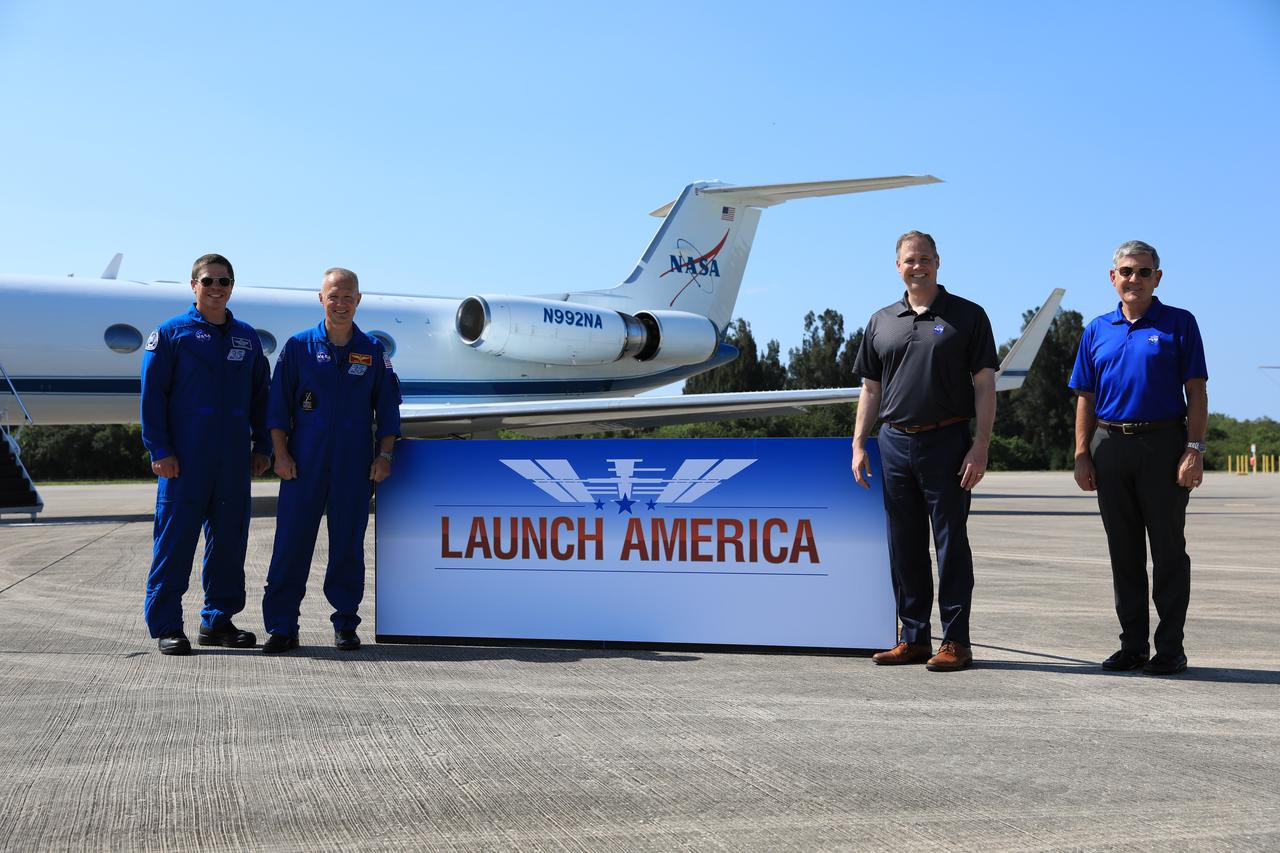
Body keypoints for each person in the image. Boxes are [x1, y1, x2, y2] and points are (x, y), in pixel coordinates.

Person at [850, 231, 998, 671]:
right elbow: (870, 388)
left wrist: (981, 445)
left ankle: (955, 642)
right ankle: (913, 637)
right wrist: (860, 442)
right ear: (898, 266)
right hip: (894, 442)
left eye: (926, 259)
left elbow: (986, 385)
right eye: (910, 260)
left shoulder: (967, 316)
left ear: (938, 262)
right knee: (905, 546)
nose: (918, 266)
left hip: (948, 441)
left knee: (951, 545)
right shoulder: (881, 320)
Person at [1069, 240, 1207, 676]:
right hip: (1110, 446)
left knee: (1168, 551)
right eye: (1127, 271)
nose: (1135, 279)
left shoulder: (1179, 324)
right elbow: (1085, 397)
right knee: (1123, 552)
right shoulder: (1096, 329)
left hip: (1164, 445)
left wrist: (1195, 449)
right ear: (1114, 278)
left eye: (1144, 272)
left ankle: (1170, 649)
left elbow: (1197, 392)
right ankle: (1132, 647)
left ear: (1157, 278)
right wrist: (1081, 454)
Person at [260, 267, 401, 654]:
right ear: (321, 299)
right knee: (290, 546)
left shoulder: (373, 352)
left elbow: (388, 412)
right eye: (333, 296)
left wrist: (384, 455)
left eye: (347, 297)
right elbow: (277, 409)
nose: (340, 304)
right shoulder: (298, 347)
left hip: (353, 466)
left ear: (358, 300)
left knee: (347, 548)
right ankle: (282, 626)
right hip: (302, 465)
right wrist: (281, 454)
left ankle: (345, 624)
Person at [140, 253, 271, 655]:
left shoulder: (246, 338)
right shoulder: (171, 334)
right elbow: (152, 397)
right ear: (193, 285)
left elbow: (261, 399)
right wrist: (159, 449)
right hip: (184, 461)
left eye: (224, 282)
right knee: (175, 544)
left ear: (232, 287)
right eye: (208, 281)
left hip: (232, 461)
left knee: (229, 545)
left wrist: (263, 446)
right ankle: (166, 625)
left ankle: (218, 621)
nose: (216, 288)